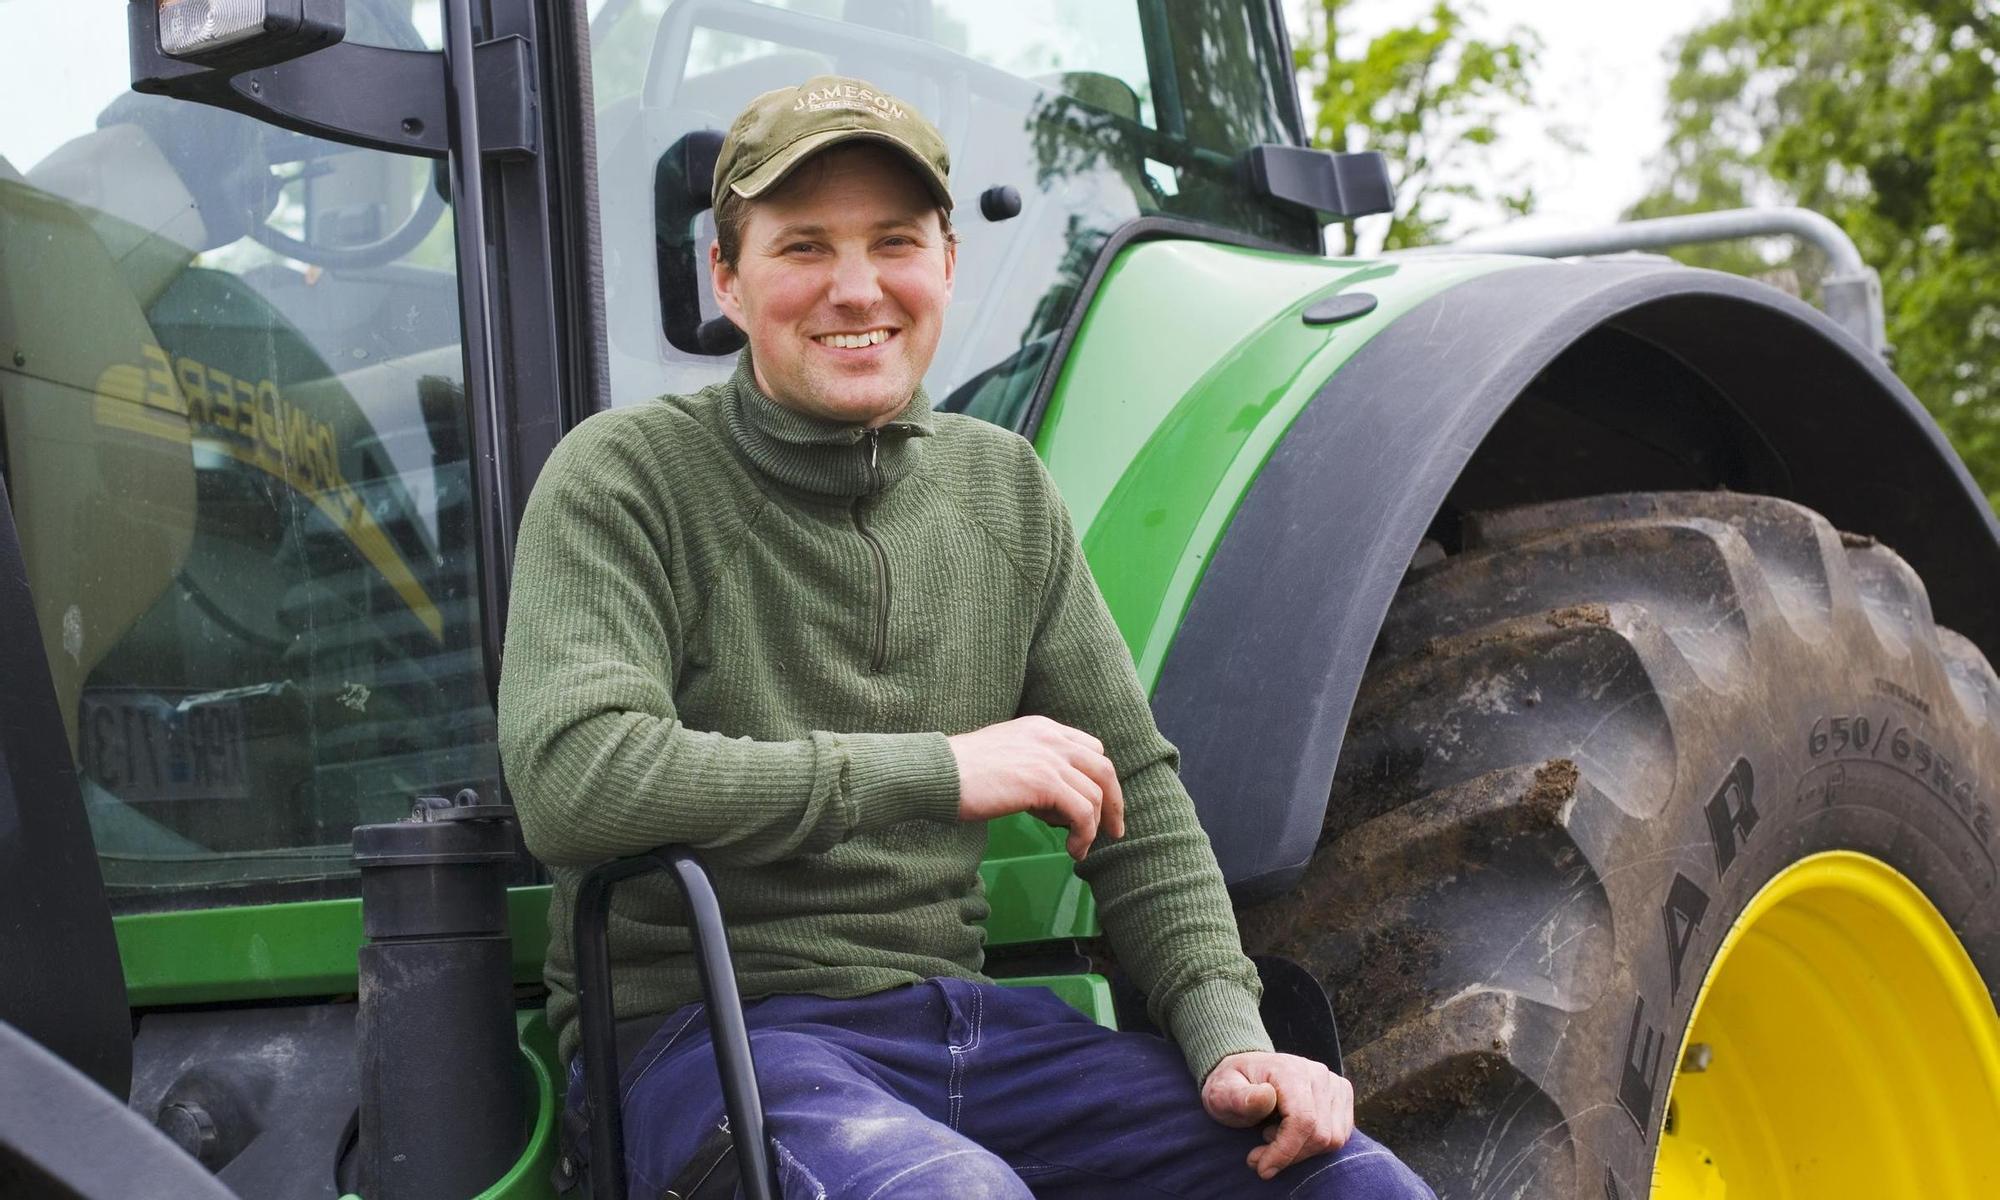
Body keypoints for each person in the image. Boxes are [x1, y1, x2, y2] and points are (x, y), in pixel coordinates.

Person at [498, 75, 1433, 1199]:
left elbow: (1133, 792)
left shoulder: (1002, 490)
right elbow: (574, 779)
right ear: (726, 279)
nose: (855, 290)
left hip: (972, 1036)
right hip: (703, 1038)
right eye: (802, 247)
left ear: (945, 263)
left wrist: (1229, 1035)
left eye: (892, 242)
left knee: (1348, 1183)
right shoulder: (628, 476)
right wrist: (936, 772)